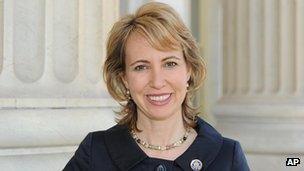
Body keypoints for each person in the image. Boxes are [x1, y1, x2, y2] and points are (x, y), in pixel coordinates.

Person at [63, 2, 249, 171]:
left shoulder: (227, 157)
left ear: (189, 69)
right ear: (124, 78)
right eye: (141, 67)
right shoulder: (95, 154)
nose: (157, 82)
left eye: (170, 64)